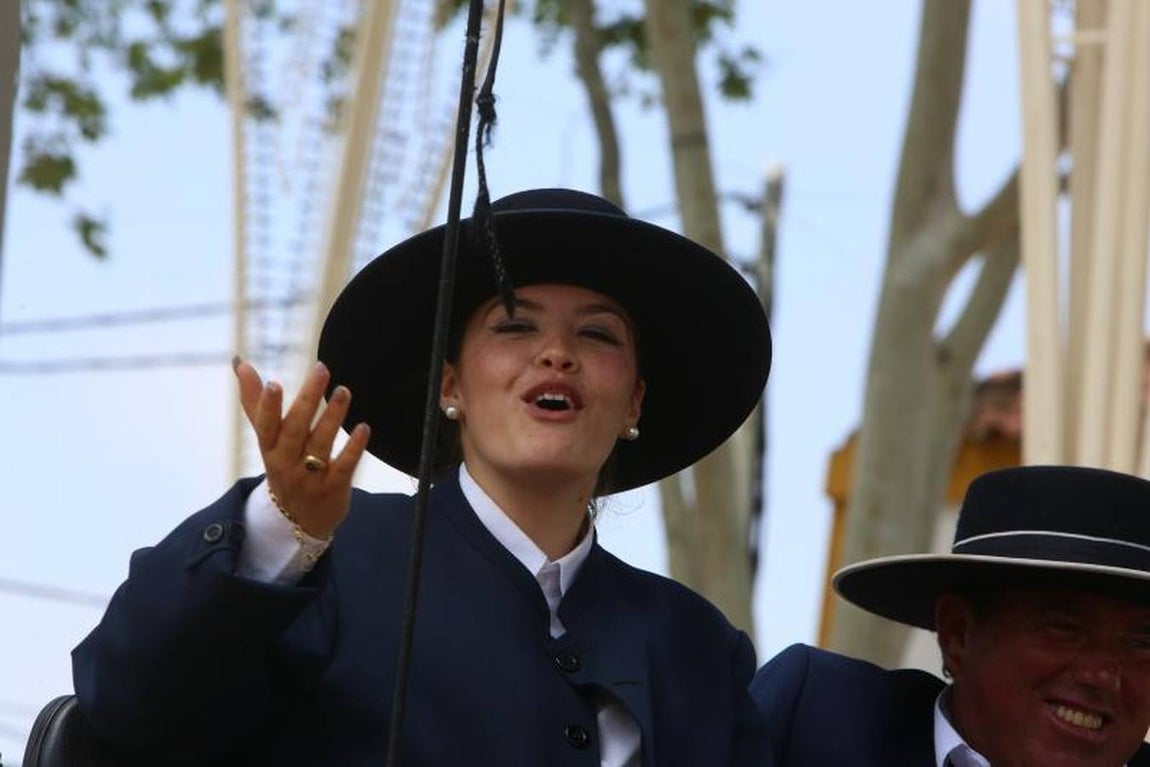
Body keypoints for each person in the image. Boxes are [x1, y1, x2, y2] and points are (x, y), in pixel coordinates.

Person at [71, 188, 773, 766]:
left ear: (635, 402)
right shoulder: (328, 561)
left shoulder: (696, 648)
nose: (557, 353)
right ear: (451, 386)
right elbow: (129, 706)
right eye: (514, 327)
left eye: (597, 334)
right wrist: (277, 527)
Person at [751, 464, 1150, 767]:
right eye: (1066, 629)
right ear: (957, 632)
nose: (1102, 676)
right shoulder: (817, 721)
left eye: (1142, 644)